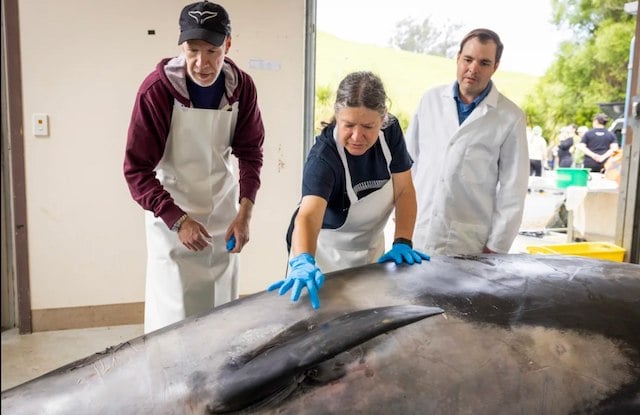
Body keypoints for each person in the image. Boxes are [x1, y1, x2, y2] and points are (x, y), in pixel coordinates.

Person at [123, 1, 265, 333]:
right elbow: (136, 170)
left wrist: (244, 215)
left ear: (228, 45)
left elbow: (250, 153)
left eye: (212, 51)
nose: (202, 63)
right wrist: (178, 220)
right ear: (181, 45)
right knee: (174, 322)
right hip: (171, 219)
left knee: (221, 316)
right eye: (192, 50)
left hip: (221, 217)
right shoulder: (157, 91)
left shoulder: (240, 88)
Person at [267, 71, 430, 309]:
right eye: (349, 125)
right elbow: (309, 216)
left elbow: (404, 189)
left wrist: (402, 241)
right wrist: (303, 260)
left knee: (370, 320)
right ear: (337, 114)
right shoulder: (324, 158)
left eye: (368, 126)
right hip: (323, 259)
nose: (357, 136)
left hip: (372, 251)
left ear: (383, 119)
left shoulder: (390, 133)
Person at [406, 28, 529, 255]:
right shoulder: (430, 100)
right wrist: (401, 220)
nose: (473, 69)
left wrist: (496, 246)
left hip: (467, 242)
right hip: (418, 231)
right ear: (457, 58)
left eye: (484, 63)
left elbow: (513, 189)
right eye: (468, 59)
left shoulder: (510, 117)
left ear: (495, 66)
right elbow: (408, 163)